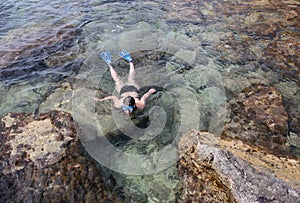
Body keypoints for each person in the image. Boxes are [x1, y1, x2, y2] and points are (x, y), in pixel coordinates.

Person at [94, 51, 156, 115]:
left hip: (125, 91)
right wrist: (150, 91)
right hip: (132, 89)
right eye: (126, 109)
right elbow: (144, 96)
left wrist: (102, 100)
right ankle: (128, 62)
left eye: (128, 109)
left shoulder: (119, 104)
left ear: (134, 105)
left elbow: (113, 97)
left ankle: (111, 65)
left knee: (120, 80)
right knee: (127, 79)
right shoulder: (139, 105)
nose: (127, 111)